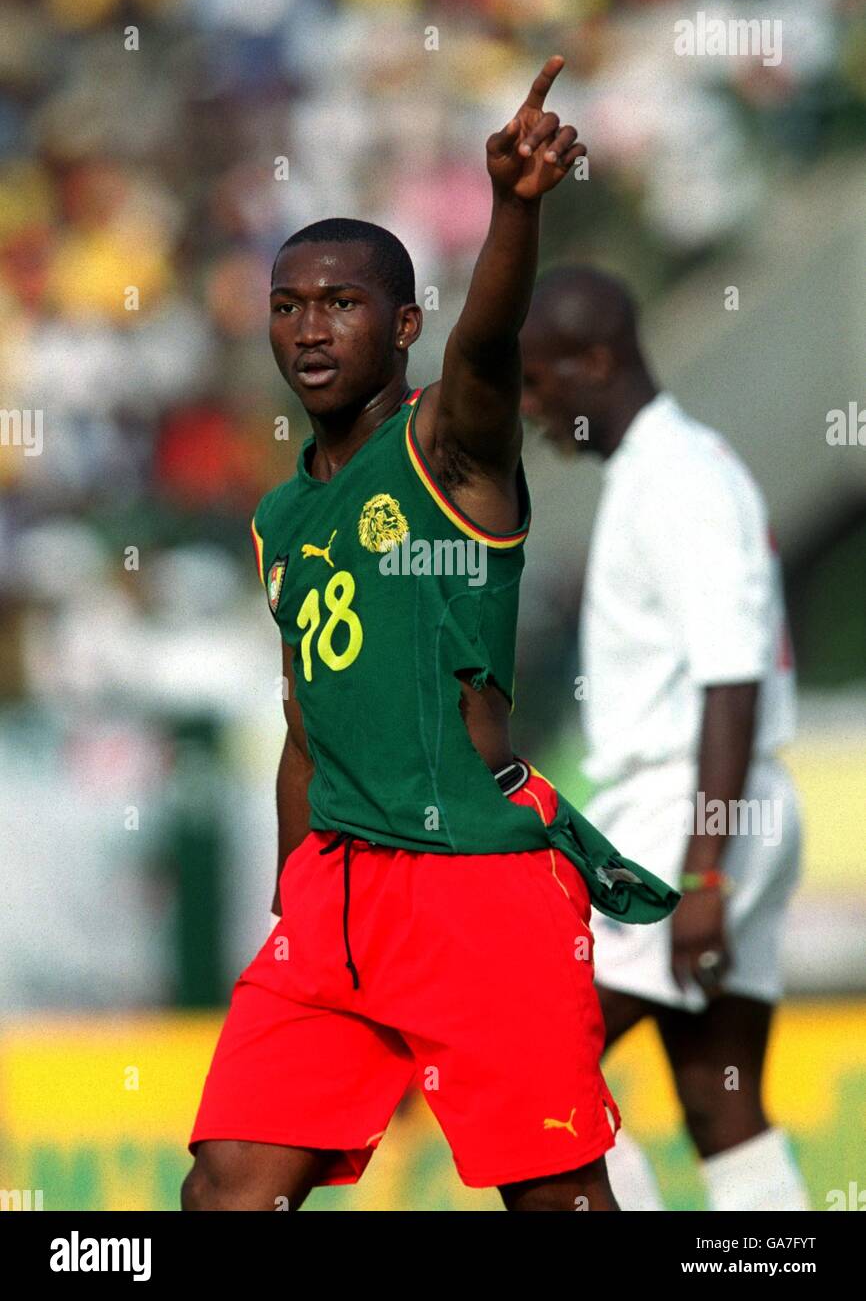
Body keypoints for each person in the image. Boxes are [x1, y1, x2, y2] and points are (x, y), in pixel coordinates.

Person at [181, 61, 676, 1213]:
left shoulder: (450, 450)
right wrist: (289, 900)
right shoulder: (280, 516)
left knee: (556, 1198)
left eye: (341, 303)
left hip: (478, 900)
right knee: (227, 1187)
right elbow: (305, 722)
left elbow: (490, 349)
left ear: (403, 324)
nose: (309, 328)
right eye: (288, 304)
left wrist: (513, 206)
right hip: (333, 901)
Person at [520, 265, 809, 1211]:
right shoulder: (668, 469)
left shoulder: (679, 476)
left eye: (539, 381)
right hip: (711, 806)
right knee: (719, 1103)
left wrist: (704, 874)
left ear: (595, 362)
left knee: (534, 1066)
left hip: (688, 811)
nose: (529, 408)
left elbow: (733, 679)